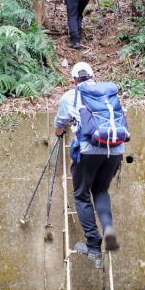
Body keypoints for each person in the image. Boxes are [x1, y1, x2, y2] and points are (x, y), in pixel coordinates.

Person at [54, 62, 123, 259]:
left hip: (88, 150)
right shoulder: (108, 94)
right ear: (94, 76)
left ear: (74, 80)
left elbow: (60, 124)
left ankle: (93, 245)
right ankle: (108, 228)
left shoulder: (70, 96)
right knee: (100, 190)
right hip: (115, 149)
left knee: (82, 194)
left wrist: (59, 133)